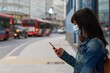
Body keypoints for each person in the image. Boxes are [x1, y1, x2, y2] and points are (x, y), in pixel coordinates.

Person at [51, 8, 108, 73]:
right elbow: (79, 66)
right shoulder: (87, 42)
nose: (74, 27)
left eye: (75, 24)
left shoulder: (94, 44)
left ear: (84, 24)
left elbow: (86, 69)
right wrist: (64, 55)